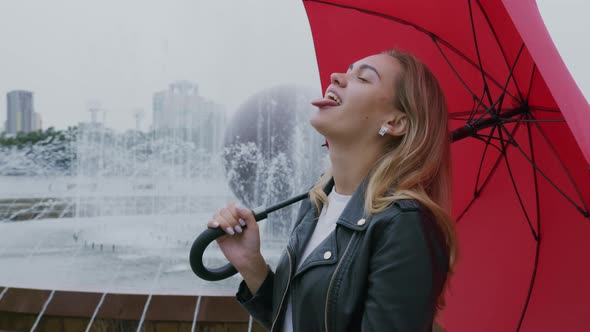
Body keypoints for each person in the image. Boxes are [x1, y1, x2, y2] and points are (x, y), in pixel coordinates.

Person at [207, 49, 457, 332]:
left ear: (394, 123)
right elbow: (297, 322)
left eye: (362, 78)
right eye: (347, 69)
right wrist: (251, 265)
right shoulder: (317, 204)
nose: (337, 77)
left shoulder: (404, 225)